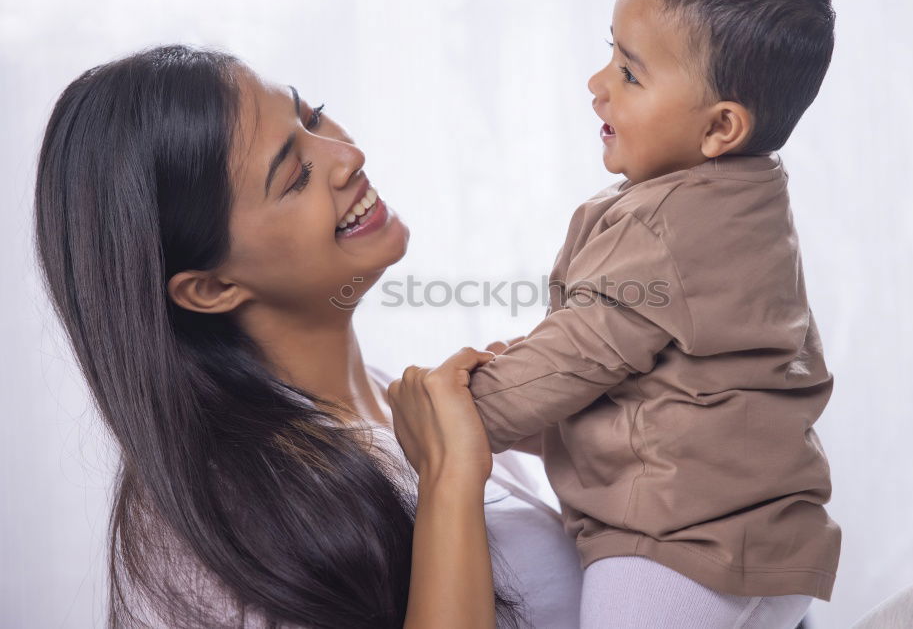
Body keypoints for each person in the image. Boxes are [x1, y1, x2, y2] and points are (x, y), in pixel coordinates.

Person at [33, 44, 581, 628]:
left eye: (312, 115)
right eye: (294, 176)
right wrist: (448, 479)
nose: (348, 155)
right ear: (212, 288)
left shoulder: (409, 404)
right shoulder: (218, 522)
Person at [404, 0, 841, 626]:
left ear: (721, 128)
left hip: (677, 552)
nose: (598, 85)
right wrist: (529, 396)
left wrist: (464, 413)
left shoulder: (662, 224)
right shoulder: (746, 200)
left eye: (630, 73)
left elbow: (579, 354)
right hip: (766, 544)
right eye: (610, 52)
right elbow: (658, 388)